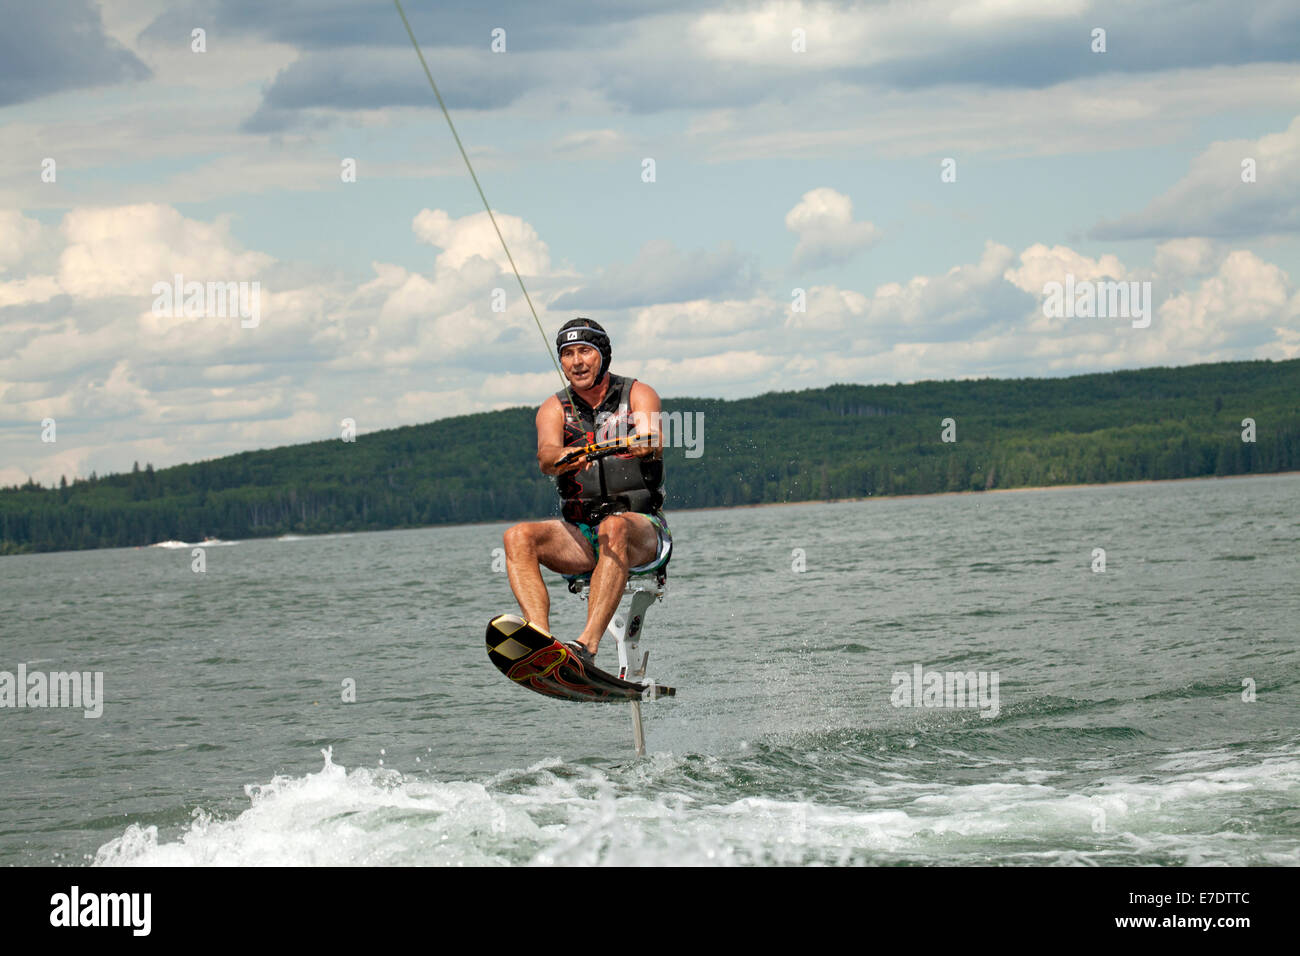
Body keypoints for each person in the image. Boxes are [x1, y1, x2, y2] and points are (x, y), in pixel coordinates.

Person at [502, 318, 671, 666]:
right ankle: (539, 638)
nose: (576, 362)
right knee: (518, 536)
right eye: (567, 354)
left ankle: (586, 647)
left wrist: (641, 442)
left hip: (642, 530)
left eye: (585, 352)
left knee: (616, 527)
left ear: (602, 356)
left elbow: (653, 436)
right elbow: (546, 457)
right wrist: (566, 456)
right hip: (582, 536)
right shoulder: (553, 408)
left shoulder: (637, 393)